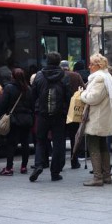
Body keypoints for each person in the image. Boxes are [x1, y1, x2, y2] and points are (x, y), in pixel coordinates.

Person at [80, 53, 112, 186]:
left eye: (91, 64)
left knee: (94, 146)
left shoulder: (99, 78)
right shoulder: (107, 76)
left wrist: (82, 93)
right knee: (103, 146)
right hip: (103, 117)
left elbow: (93, 98)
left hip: (97, 118)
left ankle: (97, 177)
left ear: (98, 66)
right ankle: (107, 176)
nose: (89, 66)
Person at [29, 52, 71, 182]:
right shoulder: (64, 76)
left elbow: (32, 96)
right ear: (58, 62)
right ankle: (55, 172)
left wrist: (35, 109)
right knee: (58, 143)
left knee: (41, 141)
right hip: (59, 115)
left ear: (47, 61)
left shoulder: (39, 76)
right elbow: (68, 97)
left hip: (42, 114)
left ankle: (39, 165)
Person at [0, 68, 34, 176]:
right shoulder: (28, 89)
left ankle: (9, 168)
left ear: (12, 76)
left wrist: (2, 115)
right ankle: (23, 167)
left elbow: (3, 104)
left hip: (14, 120)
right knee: (25, 143)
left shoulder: (9, 88)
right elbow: (32, 105)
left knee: (11, 144)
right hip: (27, 120)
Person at [60, 60, 85, 169]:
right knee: (74, 136)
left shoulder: (58, 76)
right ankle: (74, 161)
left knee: (60, 137)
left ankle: (60, 163)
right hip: (74, 110)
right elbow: (83, 89)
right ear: (68, 67)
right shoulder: (76, 75)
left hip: (61, 110)